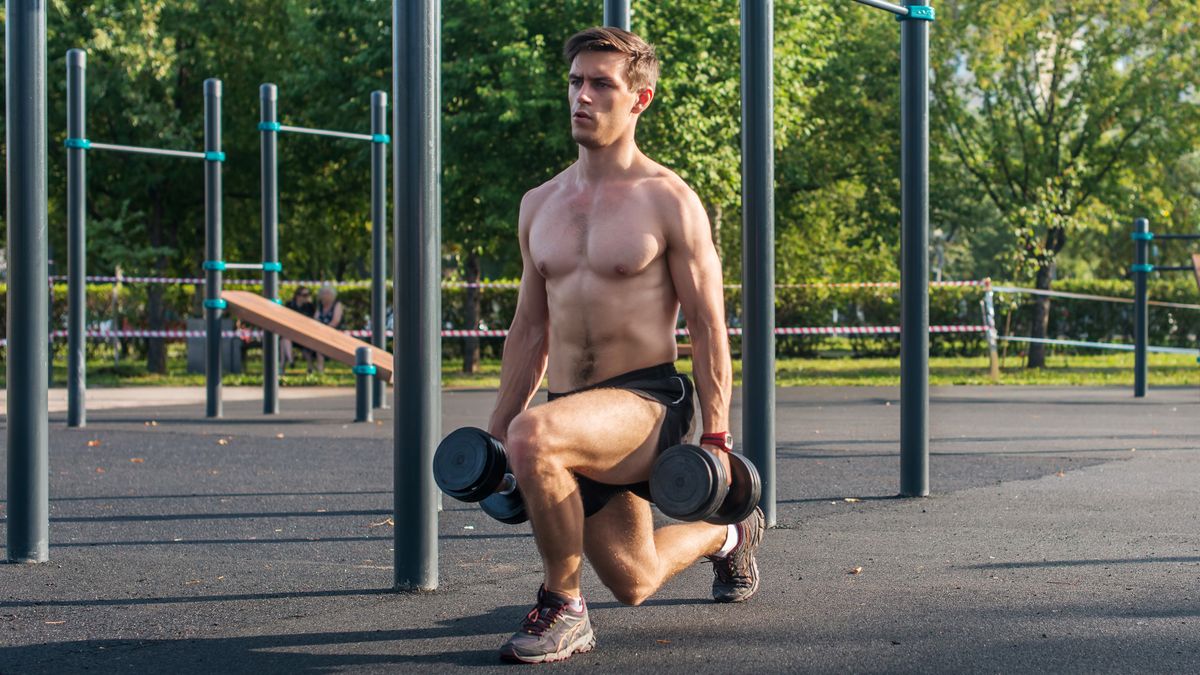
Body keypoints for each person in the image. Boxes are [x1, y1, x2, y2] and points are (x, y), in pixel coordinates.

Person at [483, 27, 763, 665]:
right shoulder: (539, 204)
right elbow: (530, 328)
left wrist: (716, 439)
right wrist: (498, 430)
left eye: (601, 84)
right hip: (569, 411)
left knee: (536, 434)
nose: (583, 96)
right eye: (576, 82)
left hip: (645, 401)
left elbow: (708, 325)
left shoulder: (669, 200)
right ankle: (728, 535)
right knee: (635, 582)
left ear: (639, 99)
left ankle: (564, 608)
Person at [282, 286, 315, 370]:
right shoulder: (289, 305)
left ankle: (282, 366)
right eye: (305, 295)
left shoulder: (310, 307)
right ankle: (290, 361)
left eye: (308, 294)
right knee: (284, 340)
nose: (307, 297)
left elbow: (312, 322)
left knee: (285, 341)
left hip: (305, 334)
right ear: (298, 296)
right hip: (292, 334)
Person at [313, 283, 343, 373]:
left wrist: (324, 330)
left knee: (320, 341)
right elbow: (315, 319)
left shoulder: (337, 305)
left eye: (326, 294)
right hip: (320, 333)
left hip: (334, 332)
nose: (324, 296)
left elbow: (335, 321)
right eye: (322, 294)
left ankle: (320, 367)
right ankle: (313, 367)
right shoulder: (320, 306)